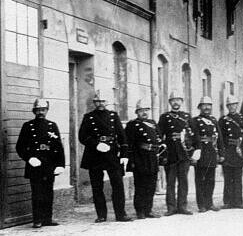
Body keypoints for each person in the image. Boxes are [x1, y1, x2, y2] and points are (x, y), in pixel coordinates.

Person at [78, 89, 132, 223]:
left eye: (103, 101)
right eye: (97, 101)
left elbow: (122, 136)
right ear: (94, 103)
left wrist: (124, 154)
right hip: (94, 154)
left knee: (118, 184)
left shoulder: (114, 116)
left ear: (107, 102)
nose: (100, 104)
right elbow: (82, 136)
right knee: (97, 186)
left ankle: (121, 214)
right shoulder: (88, 117)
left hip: (113, 153)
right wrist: (96, 144)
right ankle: (101, 215)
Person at [16, 98, 65, 228]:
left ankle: (47, 219)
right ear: (34, 111)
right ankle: (37, 219)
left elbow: (59, 147)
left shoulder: (52, 125)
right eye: (38, 110)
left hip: (49, 164)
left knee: (48, 192)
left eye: (43, 110)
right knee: (37, 193)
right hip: (35, 165)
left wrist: (60, 164)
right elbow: (20, 147)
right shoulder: (28, 126)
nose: (40, 112)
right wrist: (29, 158)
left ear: (47, 111)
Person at [125, 99, 164, 219]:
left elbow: (159, 138)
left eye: (146, 110)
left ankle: (148, 210)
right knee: (141, 185)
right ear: (137, 112)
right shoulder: (132, 125)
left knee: (151, 185)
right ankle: (140, 211)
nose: (144, 113)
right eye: (142, 110)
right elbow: (129, 144)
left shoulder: (152, 123)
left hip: (152, 157)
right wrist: (131, 160)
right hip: (140, 157)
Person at [158, 90, 194, 216]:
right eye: (173, 100)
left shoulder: (187, 117)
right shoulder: (164, 117)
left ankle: (182, 206)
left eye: (178, 100)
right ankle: (171, 207)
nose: (176, 102)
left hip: (184, 153)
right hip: (171, 153)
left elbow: (194, 135)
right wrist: (162, 151)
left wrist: (196, 150)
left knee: (183, 181)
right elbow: (159, 135)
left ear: (182, 102)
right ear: (170, 102)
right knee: (171, 181)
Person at [190, 96, 222, 213]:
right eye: (204, 105)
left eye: (209, 105)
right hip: (201, 152)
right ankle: (202, 204)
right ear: (200, 107)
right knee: (200, 180)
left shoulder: (214, 120)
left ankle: (210, 203)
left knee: (211, 180)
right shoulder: (195, 121)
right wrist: (195, 153)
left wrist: (221, 152)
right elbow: (193, 138)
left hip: (212, 152)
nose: (207, 107)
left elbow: (219, 138)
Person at [218, 95, 243, 209]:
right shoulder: (223, 120)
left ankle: (238, 201)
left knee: (238, 177)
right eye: (229, 105)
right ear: (227, 106)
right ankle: (228, 201)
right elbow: (219, 138)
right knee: (228, 177)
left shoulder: (242, 119)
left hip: (239, 150)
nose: (232, 107)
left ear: (237, 105)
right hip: (228, 150)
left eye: (234, 104)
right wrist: (221, 153)